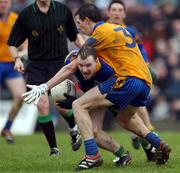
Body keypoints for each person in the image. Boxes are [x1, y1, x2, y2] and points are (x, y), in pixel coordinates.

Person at [22, 4, 171, 171]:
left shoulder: (98, 36)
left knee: (79, 106)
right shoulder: (116, 30)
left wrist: (43, 87)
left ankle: (92, 155)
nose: (78, 28)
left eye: (79, 23)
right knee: (123, 119)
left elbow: (71, 67)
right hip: (144, 82)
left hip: (127, 79)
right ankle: (158, 144)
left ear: (87, 21)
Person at [7, 0, 84, 155]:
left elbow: (75, 36)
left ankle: (73, 128)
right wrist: (16, 59)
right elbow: (12, 43)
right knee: (42, 104)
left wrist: (86, 52)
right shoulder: (26, 14)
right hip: (37, 67)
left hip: (60, 66)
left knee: (61, 106)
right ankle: (54, 149)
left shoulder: (63, 10)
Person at [107, 0, 155, 150]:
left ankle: (146, 131)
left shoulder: (132, 32)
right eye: (113, 10)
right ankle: (144, 134)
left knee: (136, 100)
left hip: (130, 73)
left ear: (124, 13)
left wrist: (146, 65)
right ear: (108, 12)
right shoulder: (103, 31)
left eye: (120, 10)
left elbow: (141, 50)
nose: (116, 13)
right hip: (111, 75)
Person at [0, 0, 26, 144]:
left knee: (20, 96)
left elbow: (24, 39)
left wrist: (24, 52)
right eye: (0, 2)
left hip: (11, 63)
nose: (3, 4)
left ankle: (7, 128)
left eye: (5, 2)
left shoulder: (15, 18)